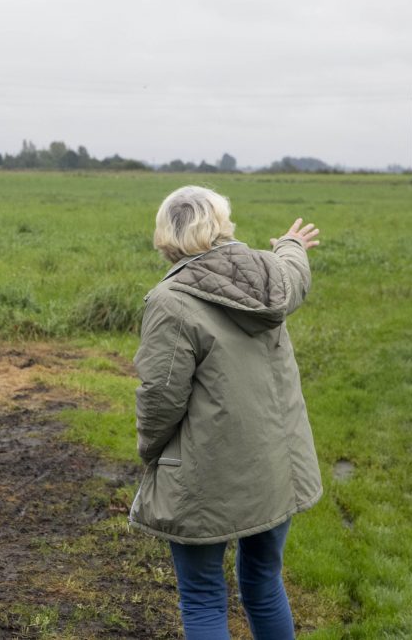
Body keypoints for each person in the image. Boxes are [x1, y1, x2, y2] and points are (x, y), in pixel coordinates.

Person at [129, 185, 322, 639]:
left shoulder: (170, 302)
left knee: (202, 595)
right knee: (263, 581)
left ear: (166, 236)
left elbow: (160, 398)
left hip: (205, 476)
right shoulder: (270, 275)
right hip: (274, 466)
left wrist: (151, 451)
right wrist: (291, 245)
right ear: (221, 225)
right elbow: (292, 273)